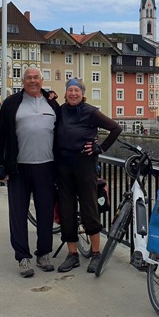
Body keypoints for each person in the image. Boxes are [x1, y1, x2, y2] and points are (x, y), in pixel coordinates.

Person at [0, 68, 60, 278]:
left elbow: (63, 132)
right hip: (19, 167)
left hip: (47, 166)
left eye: (36, 78)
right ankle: (23, 257)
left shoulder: (52, 104)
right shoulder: (12, 103)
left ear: (41, 80)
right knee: (18, 214)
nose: (33, 81)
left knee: (46, 212)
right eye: (29, 78)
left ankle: (44, 254)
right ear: (23, 81)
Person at [55, 78, 122, 273]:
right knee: (66, 211)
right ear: (66, 93)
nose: (73, 93)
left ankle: (95, 253)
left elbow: (115, 128)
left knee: (89, 209)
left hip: (85, 165)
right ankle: (72, 254)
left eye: (77, 90)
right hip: (63, 166)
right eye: (70, 90)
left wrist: (99, 147)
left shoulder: (90, 111)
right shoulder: (60, 111)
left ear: (82, 93)